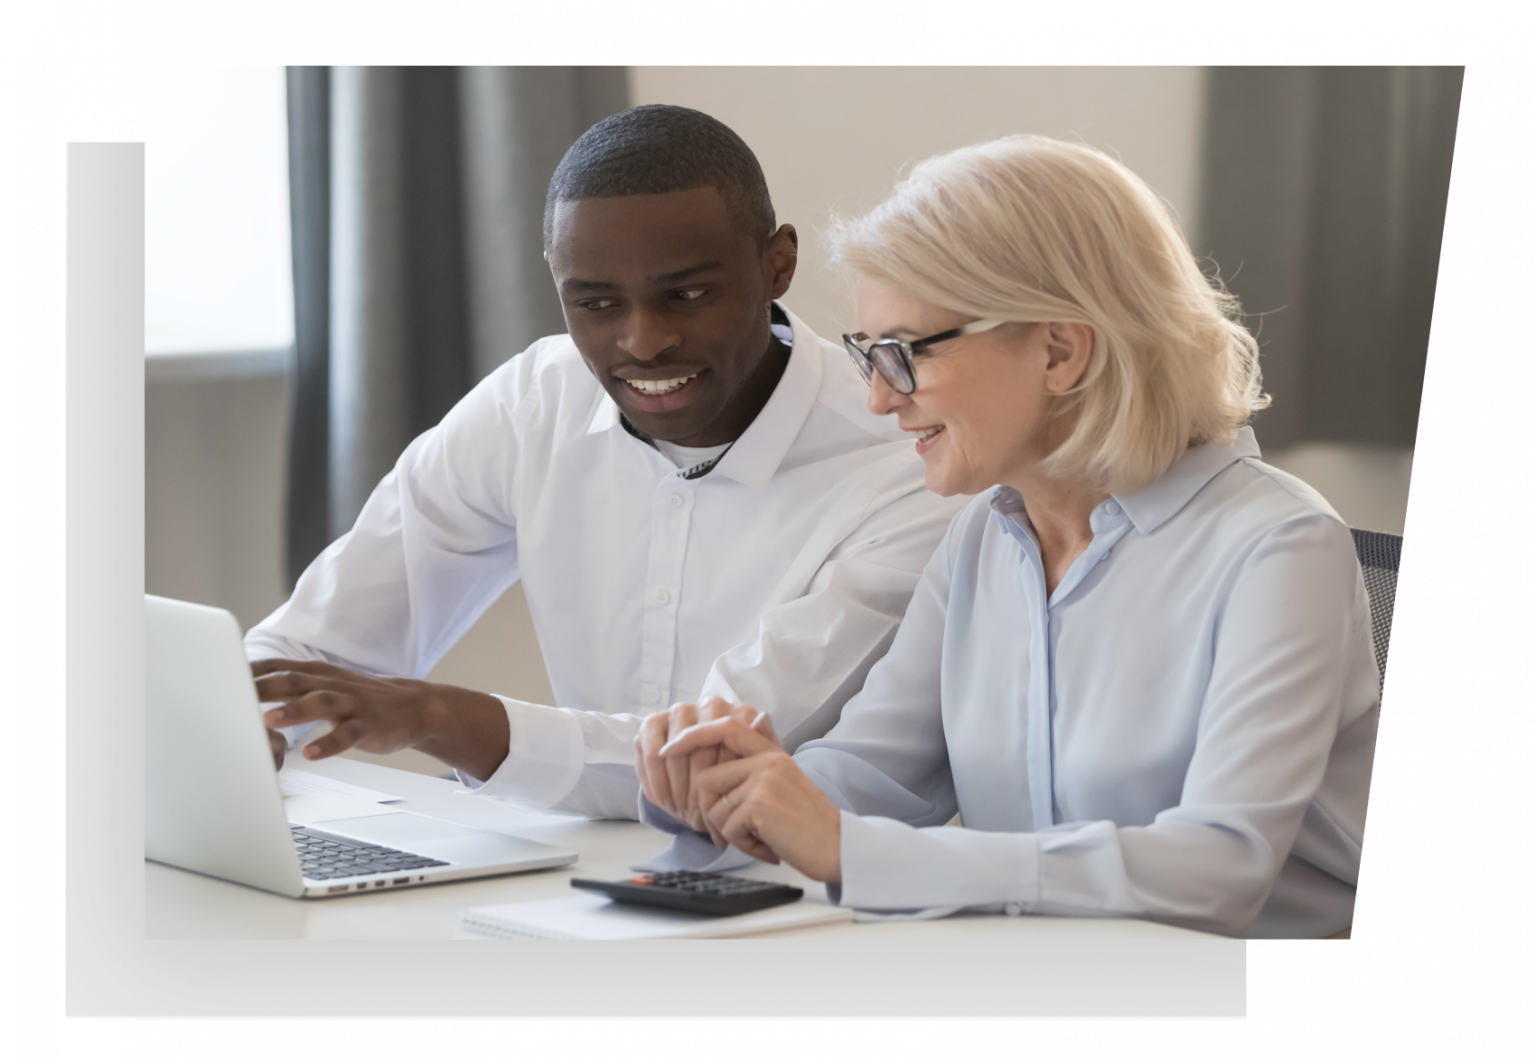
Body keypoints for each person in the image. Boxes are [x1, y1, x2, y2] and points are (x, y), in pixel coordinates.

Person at [638, 135, 1377, 938]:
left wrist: (849, 848)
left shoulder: (1280, 547)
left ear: (1060, 351)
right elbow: (876, 772)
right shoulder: (981, 538)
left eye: (901, 354)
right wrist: (732, 789)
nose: (880, 400)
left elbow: (1220, 868)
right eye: (868, 356)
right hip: (1037, 970)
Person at [246, 105, 966, 817]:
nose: (643, 342)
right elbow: (315, 647)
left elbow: (713, 757)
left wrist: (436, 717)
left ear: (776, 264)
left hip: (785, 874)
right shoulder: (534, 401)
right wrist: (246, 723)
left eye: (687, 294)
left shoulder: (903, 459)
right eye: (595, 304)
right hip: (572, 860)